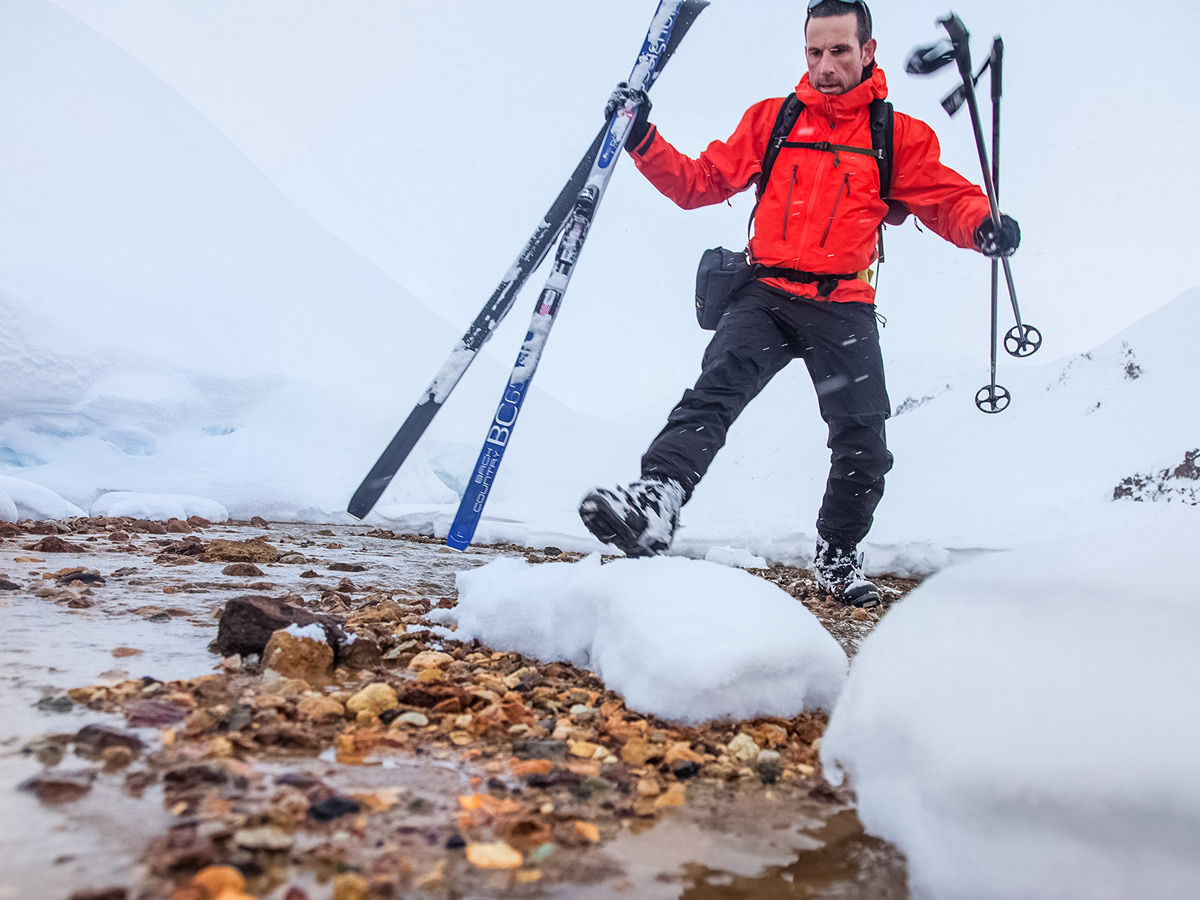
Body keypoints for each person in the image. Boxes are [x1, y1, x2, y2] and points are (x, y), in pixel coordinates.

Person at [578, 0, 1020, 607]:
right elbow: (698, 183)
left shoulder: (896, 135)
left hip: (843, 303)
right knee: (714, 392)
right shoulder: (773, 120)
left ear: (868, 51)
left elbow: (949, 200)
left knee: (864, 441)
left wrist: (983, 227)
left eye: (839, 50)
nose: (826, 64)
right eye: (815, 51)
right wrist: (641, 137)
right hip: (765, 292)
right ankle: (657, 499)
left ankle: (838, 558)